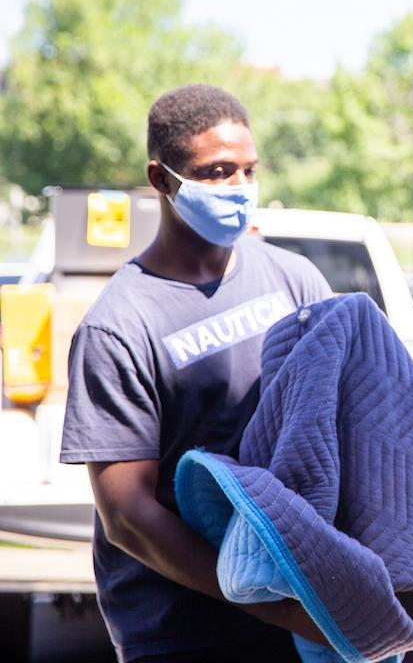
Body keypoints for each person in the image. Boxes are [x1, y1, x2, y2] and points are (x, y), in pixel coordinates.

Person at [60, 84, 333, 662]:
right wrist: (270, 603)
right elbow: (127, 517)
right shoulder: (119, 327)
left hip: (300, 616)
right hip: (184, 631)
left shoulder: (293, 279)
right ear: (162, 180)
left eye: (249, 171)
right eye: (217, 172)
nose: (239, 189)